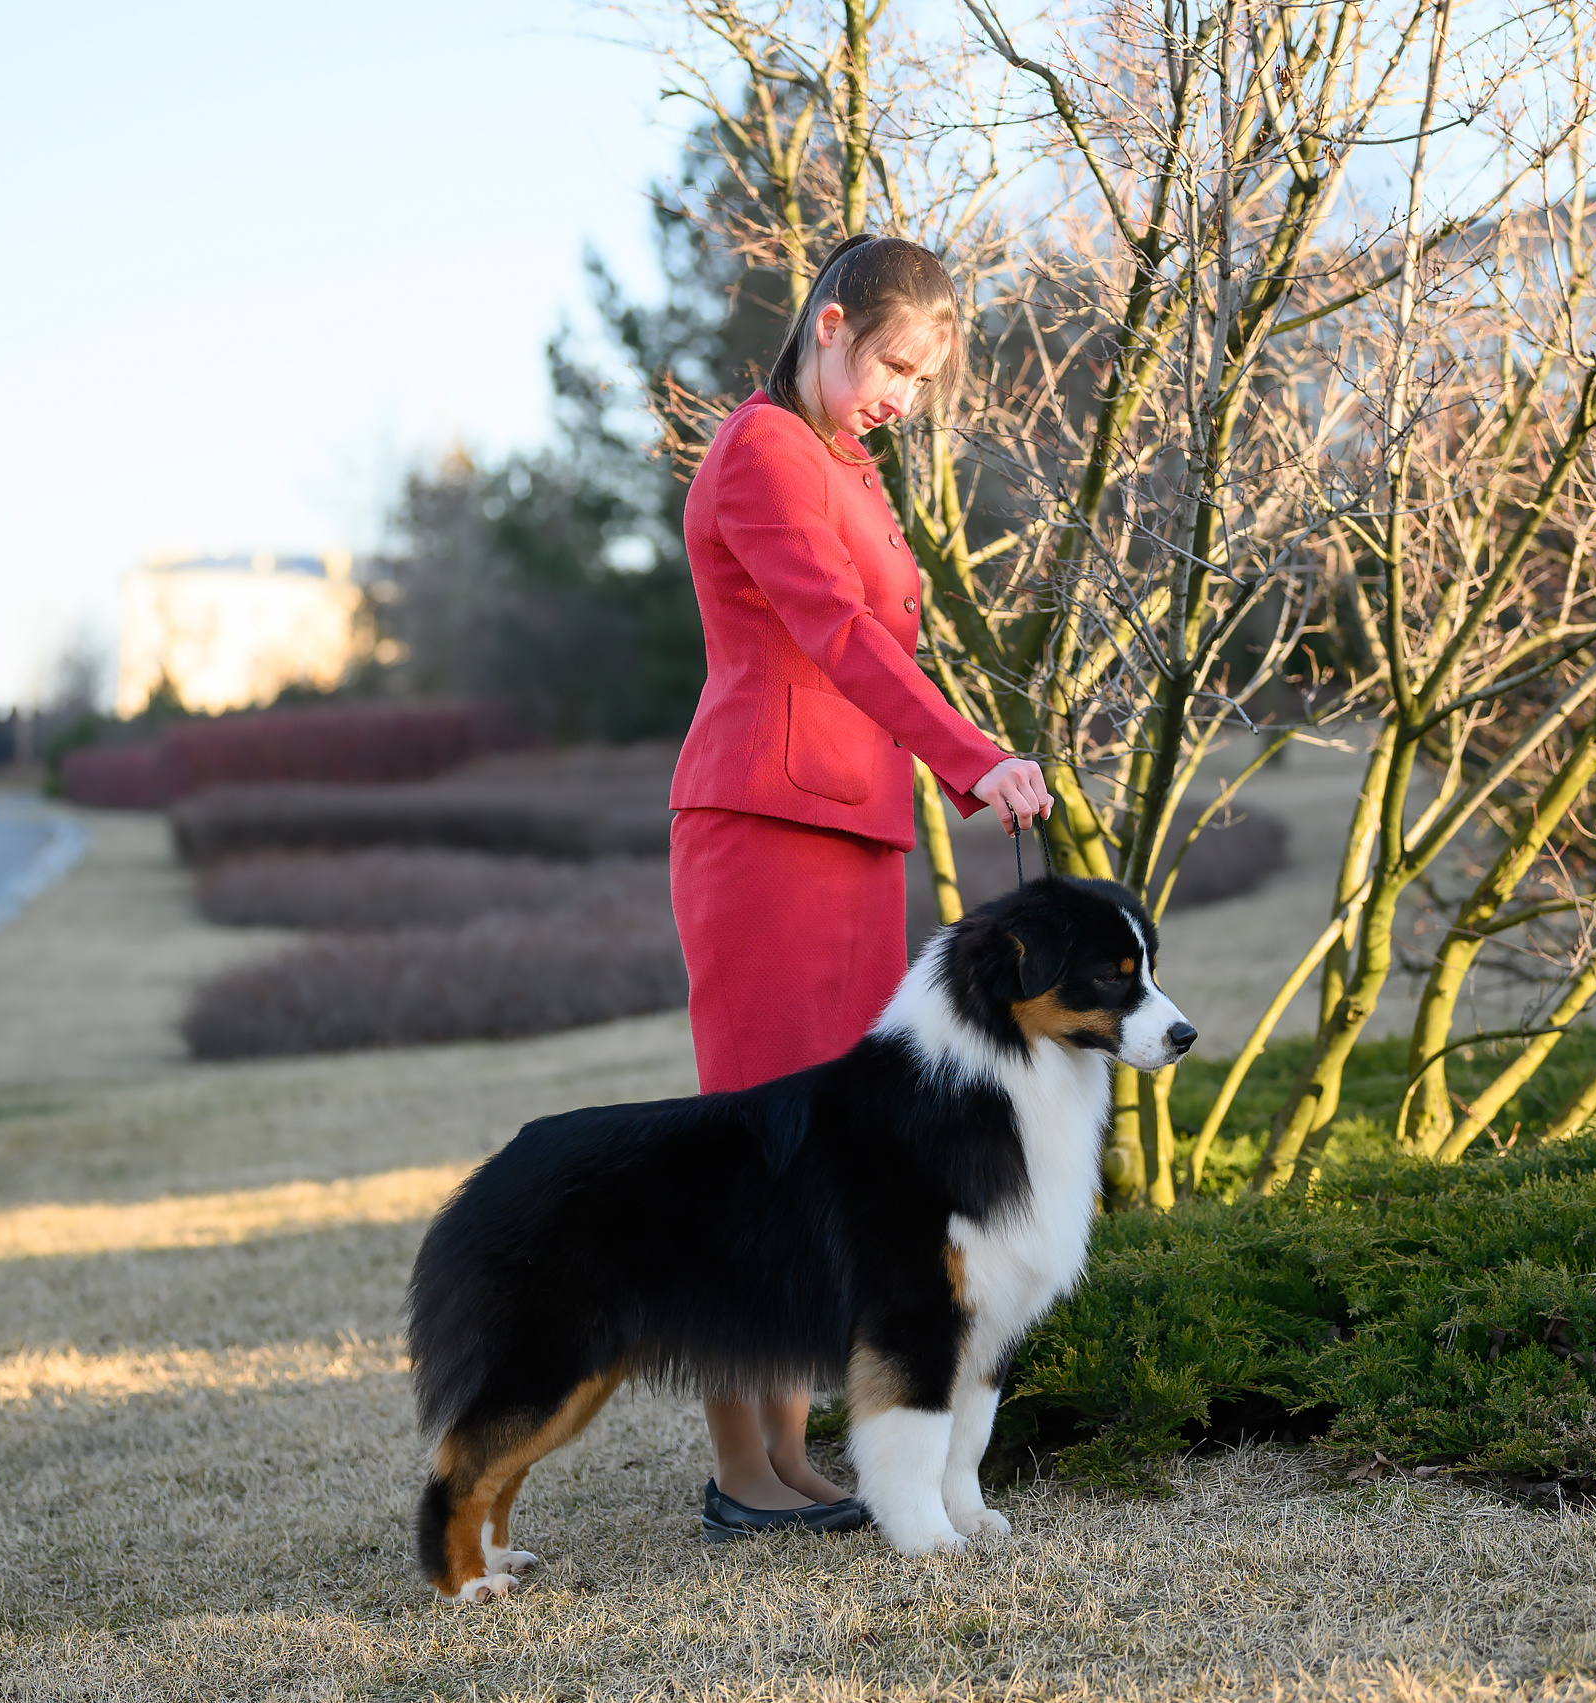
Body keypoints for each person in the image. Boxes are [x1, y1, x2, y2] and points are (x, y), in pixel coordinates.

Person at [668, 233, 1053, 1541]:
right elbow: (833, 634)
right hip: (765, 828)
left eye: (926, 378)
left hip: (852, 832)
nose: (905, 394)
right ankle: (745, 1474)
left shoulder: (850, 464)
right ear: (828, 325)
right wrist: (973, 755)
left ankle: (790, 1460)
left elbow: (874, 628)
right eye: (894, 363)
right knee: (761, 1149)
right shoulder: (766, 449)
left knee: (831, 1154)